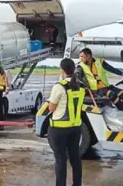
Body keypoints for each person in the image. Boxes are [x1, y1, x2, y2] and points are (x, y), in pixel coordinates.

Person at [47, 58, 85, 186]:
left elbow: (51, 108)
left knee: (60, 159)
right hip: (75, 128)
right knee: (75, 158)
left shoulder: (59, 86)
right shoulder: (80, 86)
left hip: (59, 128)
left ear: (62, 70)